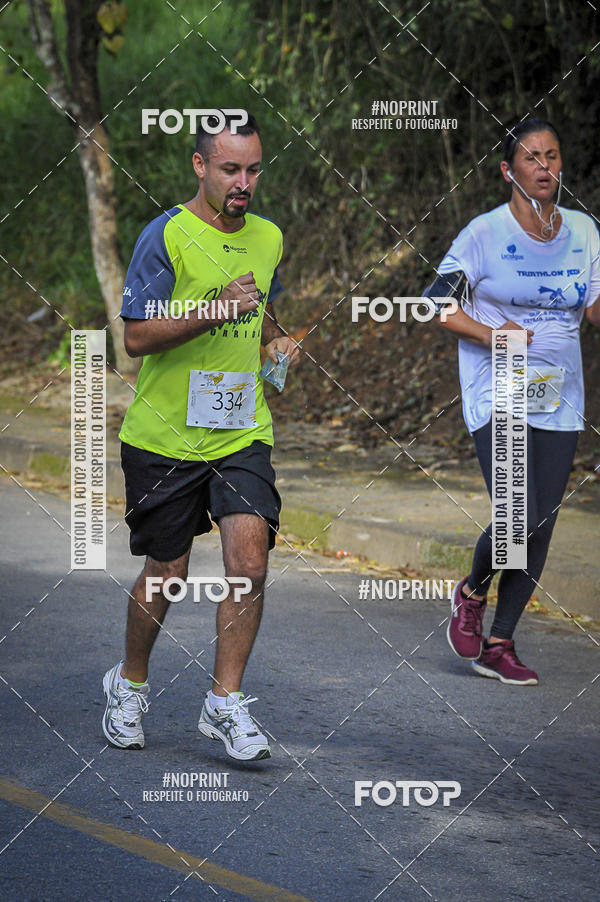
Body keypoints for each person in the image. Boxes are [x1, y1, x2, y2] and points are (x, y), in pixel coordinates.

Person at [102, 110, 299, 759]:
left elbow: (263, 309)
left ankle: (224, 701)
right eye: (230, 169)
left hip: (241, 432)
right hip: (164, 437)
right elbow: (133, 337)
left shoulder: (268, 236)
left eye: (253, 169)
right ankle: (129, 684)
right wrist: (214, 309)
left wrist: (278, 348)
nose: (243, 182)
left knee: (249, 561)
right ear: (200, 166)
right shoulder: (167, 236)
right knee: (168, 571)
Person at [425, 117, 600, 685]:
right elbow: (438, 306)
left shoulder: (585, 232)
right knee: (518, 513)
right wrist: (496, 337)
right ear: (509, 170)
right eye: (531, 158)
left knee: (541, 522)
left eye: (552, 156)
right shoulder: (483, 233)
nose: (544, 167)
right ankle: (472, 591)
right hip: (496, 387)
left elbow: (594, 310)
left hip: (559, 394)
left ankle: (499, 644)